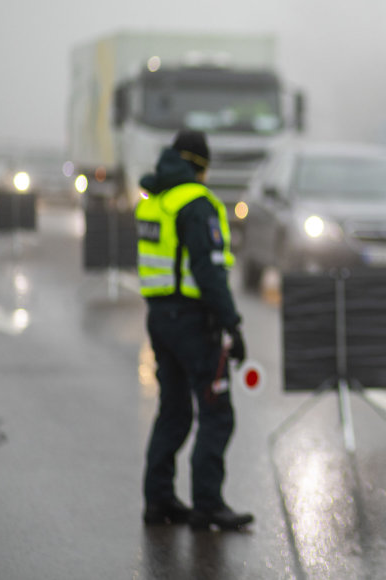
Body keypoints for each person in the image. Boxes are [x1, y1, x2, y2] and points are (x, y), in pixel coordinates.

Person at [136, 129, 254, 530]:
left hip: (159, 319)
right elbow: (208, 271)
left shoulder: (155, 200)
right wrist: (231, 324)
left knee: (173, 411)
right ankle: (207, 505)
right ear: (201, 166)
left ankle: (159, 500)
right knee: (216, 413)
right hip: (191, 322)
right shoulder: (198, 204)